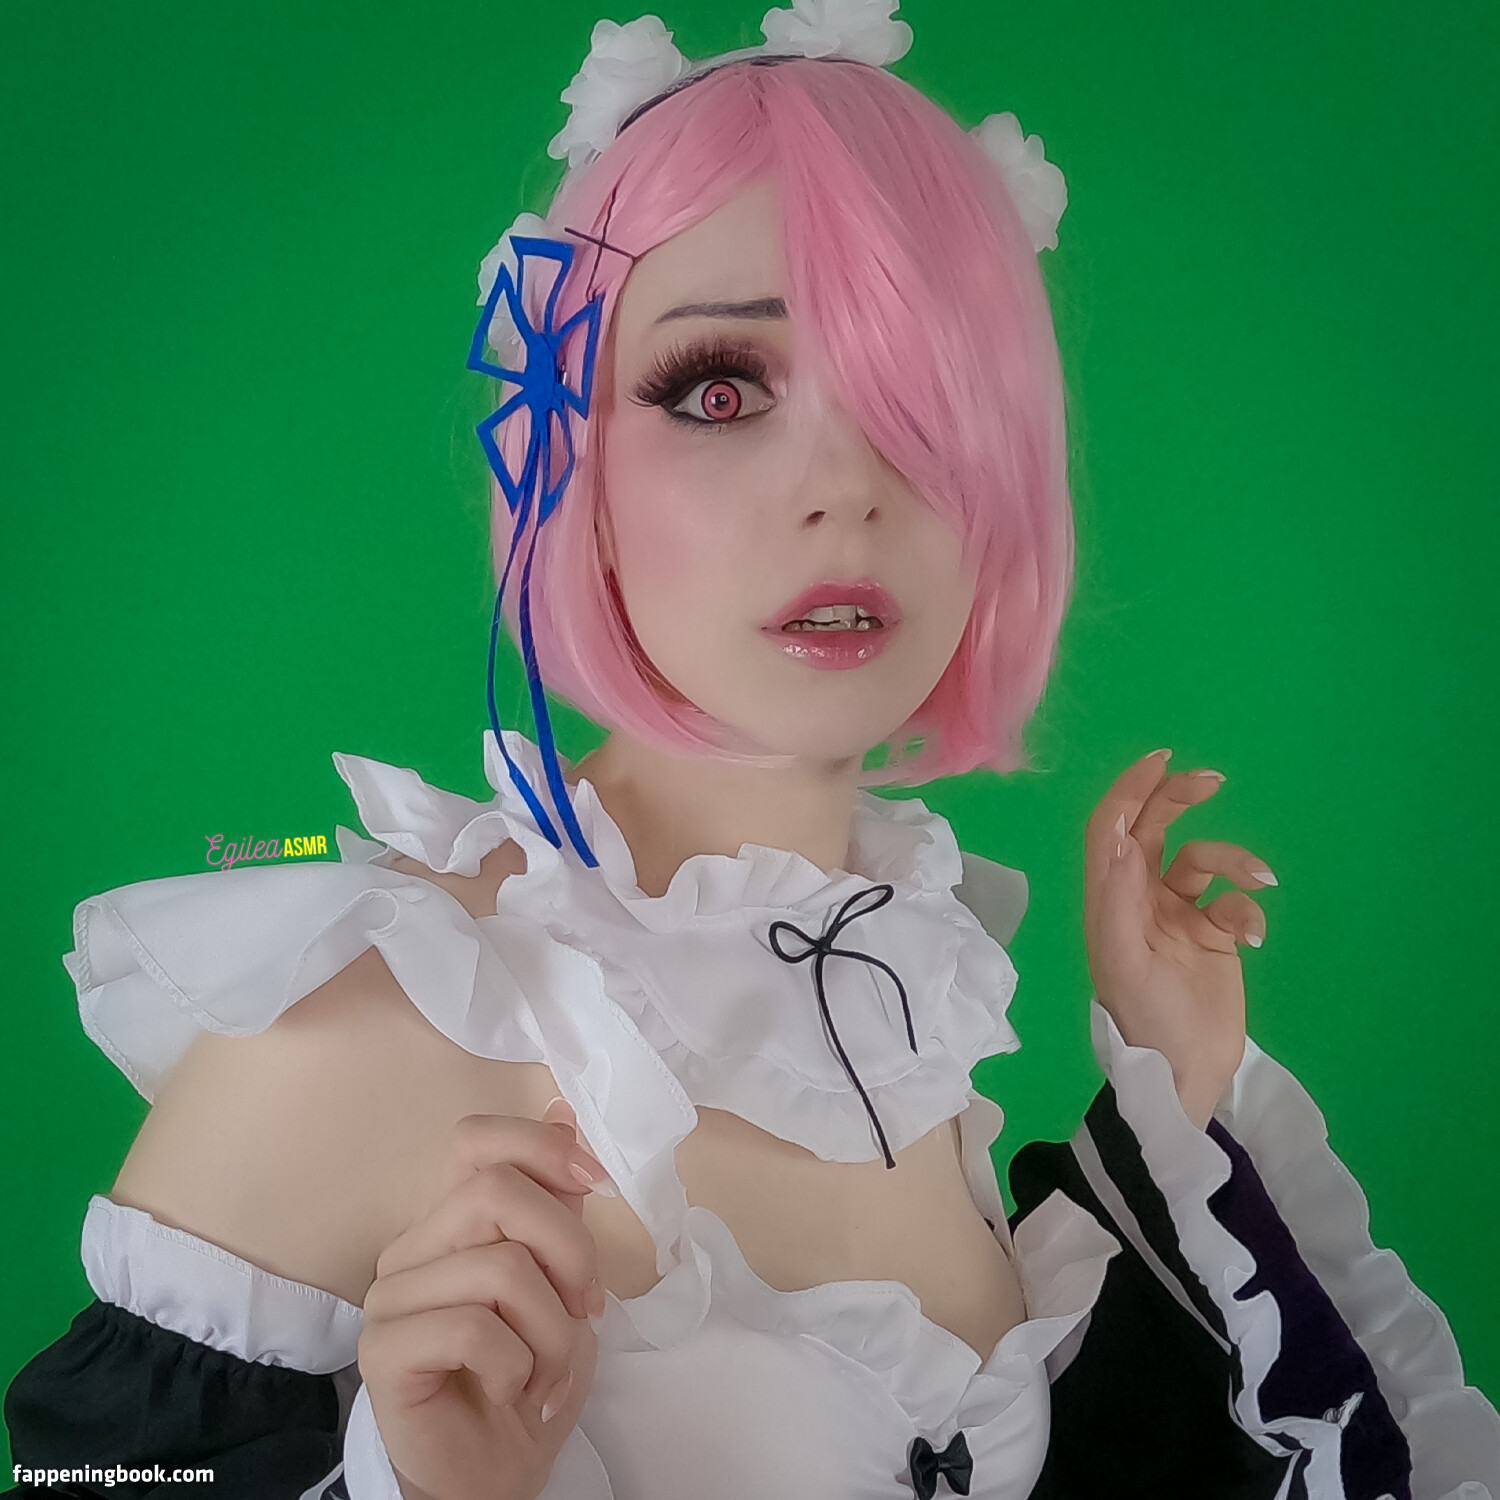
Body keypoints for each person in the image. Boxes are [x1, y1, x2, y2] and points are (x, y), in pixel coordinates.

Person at [6, 4, 1498, 1498]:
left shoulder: (912, 1004)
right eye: (718, 389)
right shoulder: (361, 1020)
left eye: (918, 396)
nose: (846, 485)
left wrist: (1181, 1082)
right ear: (571, 460)